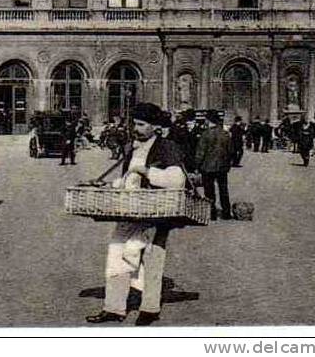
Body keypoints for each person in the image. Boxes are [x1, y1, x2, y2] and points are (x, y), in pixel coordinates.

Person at [86, 102, 186, 327]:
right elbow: (127, 180)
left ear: (154, 127)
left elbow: (177, 180)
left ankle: (149, 309)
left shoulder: (166, 147)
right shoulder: (132, 147)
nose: (136, 128)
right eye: (134, 124)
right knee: (116, 254)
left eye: (141, 124)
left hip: (156, 212)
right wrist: (109, 185)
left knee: (152, 259)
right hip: (130, 211)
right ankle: (114, 307)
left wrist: (146, 171)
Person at [195, 119, 232, 220]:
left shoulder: (205, 134)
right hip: (222, 166)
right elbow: (230, 151)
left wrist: (197, 165)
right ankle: (226, 212)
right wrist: (228, 164)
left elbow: (200, 152)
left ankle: (212, 213)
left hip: (207, 166)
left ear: (208, 121)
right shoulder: (225, 134)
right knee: (223, 189)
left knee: (209, 190)